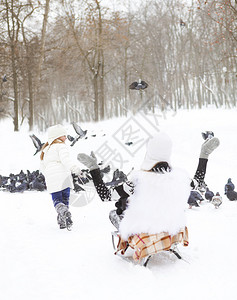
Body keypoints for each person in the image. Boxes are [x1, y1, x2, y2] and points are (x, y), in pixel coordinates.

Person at [78, 132, 220, 230]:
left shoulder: (136, 181)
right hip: (170, 227)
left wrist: (94, 168)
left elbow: (105, 196)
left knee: (115, 213)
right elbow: (198, 180)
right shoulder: (179, 179)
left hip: (144, 230)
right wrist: (204, 155)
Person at [40, 124, 82, 229]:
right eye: (64, 135)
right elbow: (65, 160)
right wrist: (74, 168)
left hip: (51, 178)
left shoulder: (45, 150)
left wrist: (48, 176)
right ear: (57, 137)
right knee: (65, 199)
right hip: (63, 177)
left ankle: (63, 220)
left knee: (57, 200)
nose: (66, 137)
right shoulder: (61, 146)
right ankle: (64, 215)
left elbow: (42, 167)